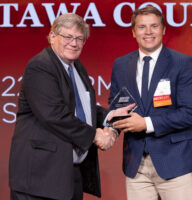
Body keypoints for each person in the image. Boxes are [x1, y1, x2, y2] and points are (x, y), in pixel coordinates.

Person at [9, 13, 133, 200]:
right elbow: (54, 114)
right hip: (39, 179)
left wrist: (110, 116)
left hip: (66, 176)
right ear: (52, 37)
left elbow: (81, 108)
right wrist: (95, 135)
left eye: (79, 39)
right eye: (67, 37)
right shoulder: (40, 66)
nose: (73, 43)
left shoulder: (76, 67)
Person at [109, 6, 192, 200]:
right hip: (136, 165)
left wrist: (146, 124)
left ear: (164, 29)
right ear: (133, 32)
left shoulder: (182, 62)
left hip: (175, 163)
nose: (148, 32)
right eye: (142, 27)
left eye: (154, 26)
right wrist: (111, 128)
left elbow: (190, 113)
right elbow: (116, 106)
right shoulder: (120, 64)